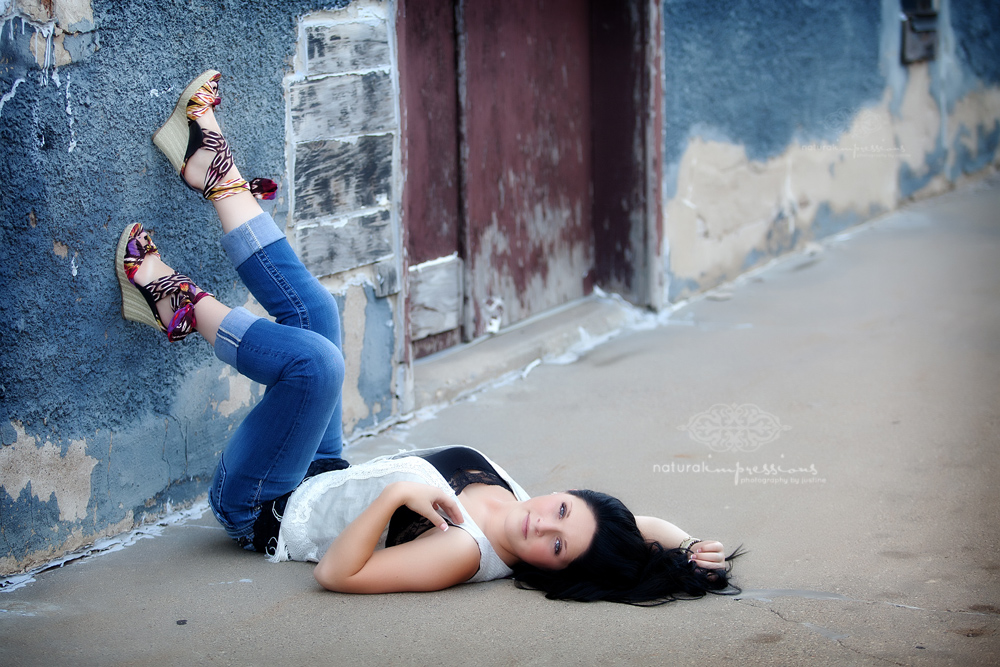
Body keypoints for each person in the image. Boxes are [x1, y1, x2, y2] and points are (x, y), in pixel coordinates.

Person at [117, 70, 740, 606]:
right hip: (322, 471)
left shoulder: (464, 554)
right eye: (562, 511)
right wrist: (685, 545)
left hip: (262, 507)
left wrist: (397, 497)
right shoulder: (527, 504)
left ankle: (173, 298)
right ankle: (212, 167)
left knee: (316, 366)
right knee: (320, 320)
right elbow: (635, 528)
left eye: (555, 546)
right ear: (573, 497)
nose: (541, 523)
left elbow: (338, 574)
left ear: (556, 573)